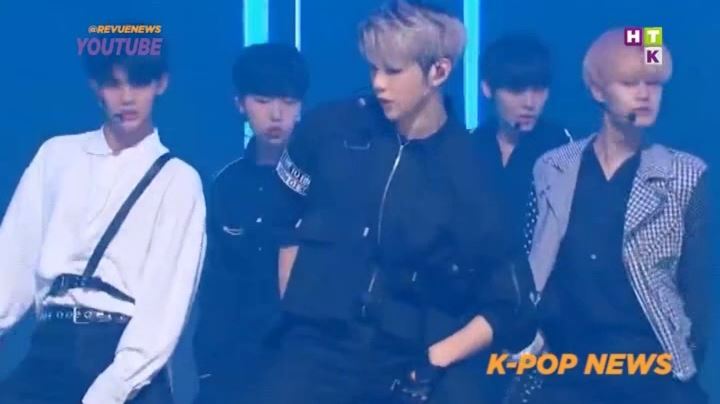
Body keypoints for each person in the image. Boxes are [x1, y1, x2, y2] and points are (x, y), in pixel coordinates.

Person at [239, 1, 536, 403]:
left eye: (393, 71)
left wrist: (435, 359)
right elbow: (283, 217)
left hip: (404, 363)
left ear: (439, 71)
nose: (378, 83)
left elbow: (510, 302)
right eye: (373, 68)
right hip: (310, 353)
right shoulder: (329, 130)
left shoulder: (471, 173)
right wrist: (296, 307)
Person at [0, 34, 207, 404]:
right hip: (51, 344)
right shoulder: (56, 156)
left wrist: (112, 389)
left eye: (139, 82)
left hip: (123, 353)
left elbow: (166, 302)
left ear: (161, 83)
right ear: (95, 86)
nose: (127, 97)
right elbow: (12, 262)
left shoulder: (178, 180)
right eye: (113, 83)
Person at [526, 28, 711, 404]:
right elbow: (532, 261)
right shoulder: (553, 168)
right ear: (598, 90)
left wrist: (683, 361)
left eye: (654, 84)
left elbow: (699, 290)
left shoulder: (685, 174)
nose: (645, 95)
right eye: (629, 83)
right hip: (566, 367)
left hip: (651, 370)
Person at [193, 42, 309, 404]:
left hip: (300, 365)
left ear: (301, 107)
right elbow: (214, 285)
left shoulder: (323, 182)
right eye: (262, 100)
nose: (276, 114)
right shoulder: (225, 186)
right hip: (231, 368)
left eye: (288, 101)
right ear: (239, 104)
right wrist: (208, 364)